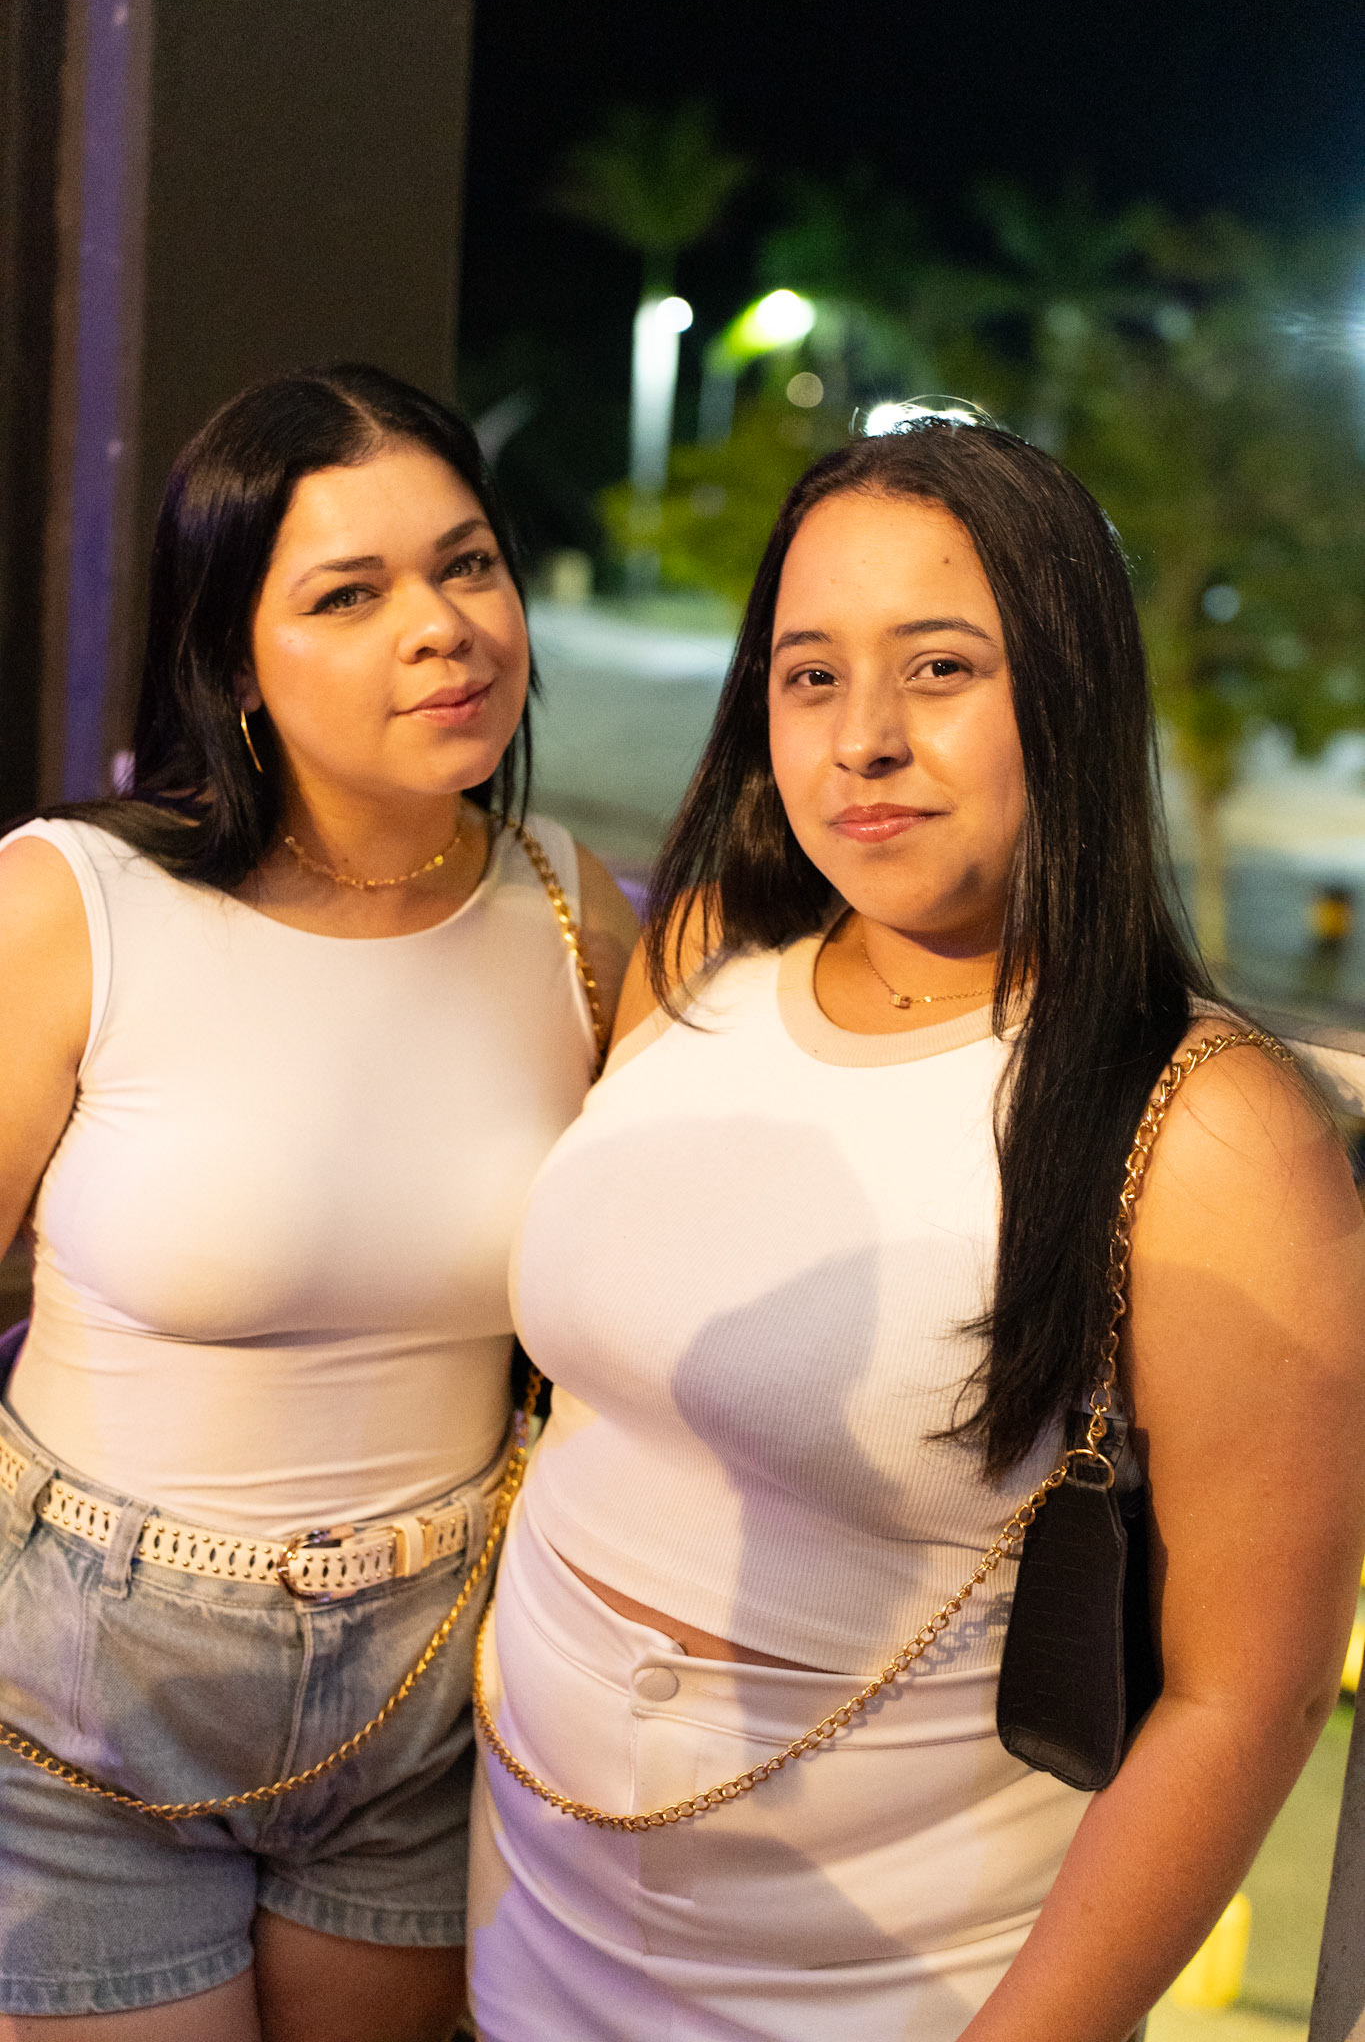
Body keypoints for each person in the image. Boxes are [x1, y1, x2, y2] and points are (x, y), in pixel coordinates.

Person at [468, 415, 1365, 2042]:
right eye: (809, 676)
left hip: (880, 1999)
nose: (863, 740)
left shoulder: (1208, 1129)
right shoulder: (701, 959)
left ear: (1070, 693)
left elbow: (1246, 1696)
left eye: (939, 668)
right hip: (524, 1919)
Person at [0, 364, 635, 2042]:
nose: (443, 628)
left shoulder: (573, 911)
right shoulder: (75, 903)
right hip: (78, 1696)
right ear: (234, 660)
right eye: (349, 595)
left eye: (467, 564)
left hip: (437, 1681)